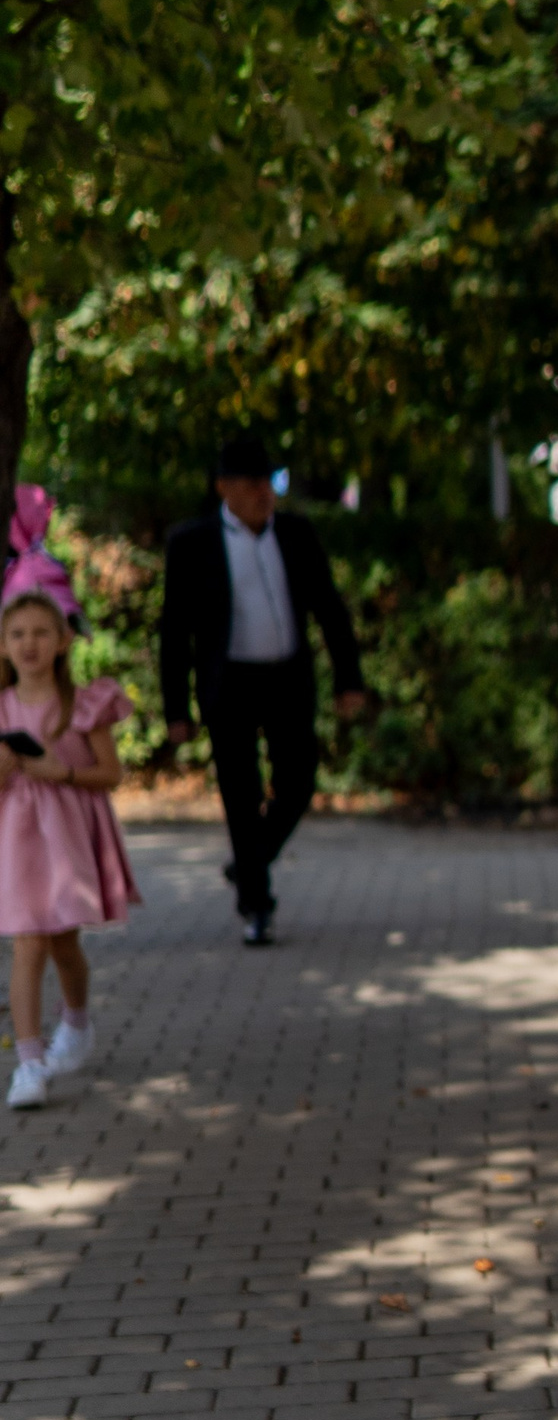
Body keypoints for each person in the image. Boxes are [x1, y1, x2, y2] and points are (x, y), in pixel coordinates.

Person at [159, 439, 367, 945]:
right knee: (241, 793)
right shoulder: (192, 543)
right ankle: (256, 903)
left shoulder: (296, 533)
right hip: (229, 683)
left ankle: (249, 861)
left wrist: (349, 678)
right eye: (251, 483)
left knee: (298, 781)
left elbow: (329, 608)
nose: (263, 493)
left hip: (286, 678)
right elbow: (175, 631)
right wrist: (176, 709)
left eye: (268, 483)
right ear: (223, 488)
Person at [1, 546, 141, 1112]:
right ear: (3, 645)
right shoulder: (1, 708)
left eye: (41, 632)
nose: (29, 644)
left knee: (63, 944)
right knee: (28, 941)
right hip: (16, 840)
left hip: (65, 840)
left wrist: (62, 772)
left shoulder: (83, 704)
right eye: (17, 634)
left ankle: (77, 1021)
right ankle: (29, 1062)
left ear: (62, 641)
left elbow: (111, 773)